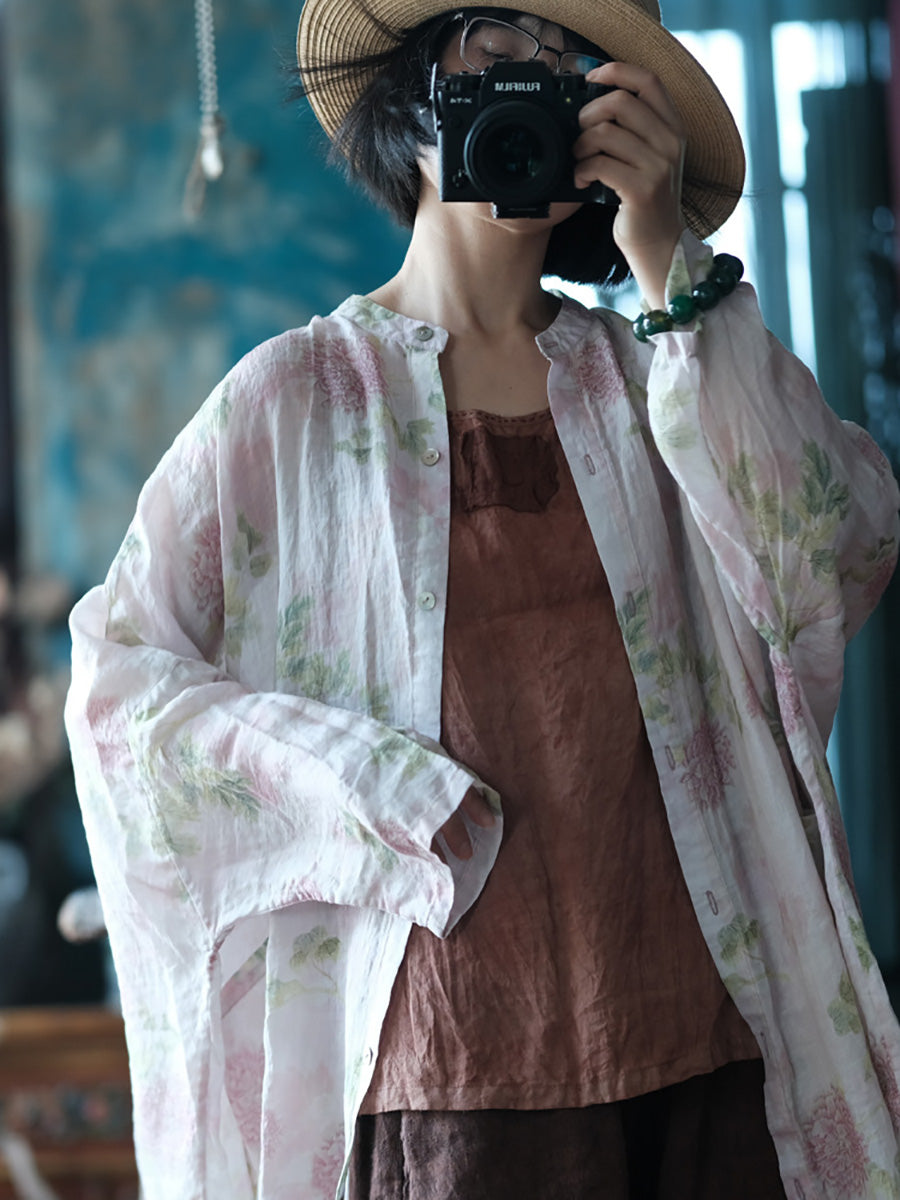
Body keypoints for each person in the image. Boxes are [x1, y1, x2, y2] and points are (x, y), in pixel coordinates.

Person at [64, 0, 900, 1196]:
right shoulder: (291, 404)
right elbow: (118, 694)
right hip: (447, 1064)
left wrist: (672, 265)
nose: (538, 79)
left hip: (708, 1039)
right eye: (498, 47)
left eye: (574, 65)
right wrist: (369, 785)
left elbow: (833, 552)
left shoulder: (660, 376)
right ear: (413, 95)